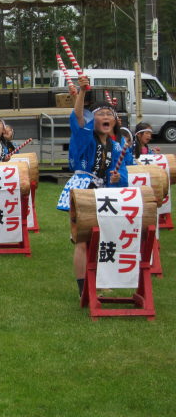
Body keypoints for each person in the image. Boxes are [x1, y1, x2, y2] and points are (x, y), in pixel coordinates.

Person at [56, 75, 128, 297]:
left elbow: (122, 174)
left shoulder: (116, 146)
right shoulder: (85, 137)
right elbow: (78, 116)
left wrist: (117, 178)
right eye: (101, 114)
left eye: (109, 114)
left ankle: (100, 280)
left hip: (104, 194)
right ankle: (83, 289)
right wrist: (82, 91)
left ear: (115, 121)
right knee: (83, 240)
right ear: (92, 120)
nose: (106, 117)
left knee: (102, 238)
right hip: (84, 189)